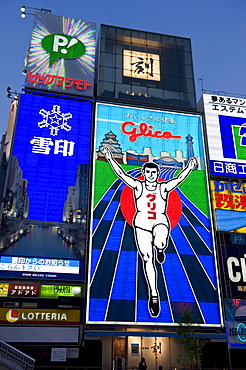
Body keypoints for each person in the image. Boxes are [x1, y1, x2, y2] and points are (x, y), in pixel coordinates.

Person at [101, 146, 198, 317]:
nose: (151, 175)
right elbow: (122, 175)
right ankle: (154, 294)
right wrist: (109, 158)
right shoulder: (138, 186)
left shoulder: (163, 187)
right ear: (144, 174)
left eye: (154, 172)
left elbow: (179, 179)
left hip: (160, 221)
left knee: (160, 242)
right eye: (148, 172)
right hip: (142, 225)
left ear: (157, 173)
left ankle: (160, 248)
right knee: (147, 258)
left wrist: (189, 167)